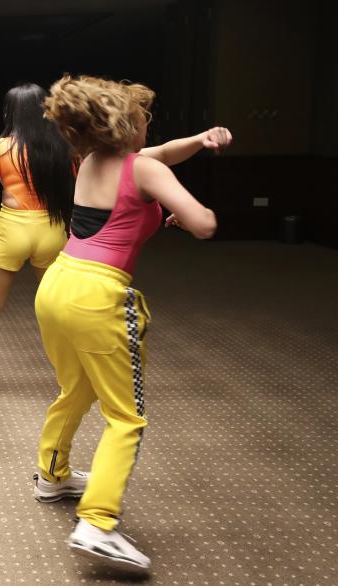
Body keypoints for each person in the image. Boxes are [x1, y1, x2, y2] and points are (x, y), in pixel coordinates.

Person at [31, 74, 231, 574]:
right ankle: (97, 523)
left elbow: (162, 153)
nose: (149, 125)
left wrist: (202, 141)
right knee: (126, 417)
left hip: (57, 284)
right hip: (99, 295)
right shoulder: (141, 169)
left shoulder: (93, 161)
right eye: (144, 118)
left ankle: (51, 474)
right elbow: (204, 223)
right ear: (126, 124)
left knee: (75, 389)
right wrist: (184, 213)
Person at [0, 84, 75, 393]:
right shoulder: (63, 146)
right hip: (52, 230)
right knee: (56, 307)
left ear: (10, 112)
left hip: (12, 231)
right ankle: (68, 374)